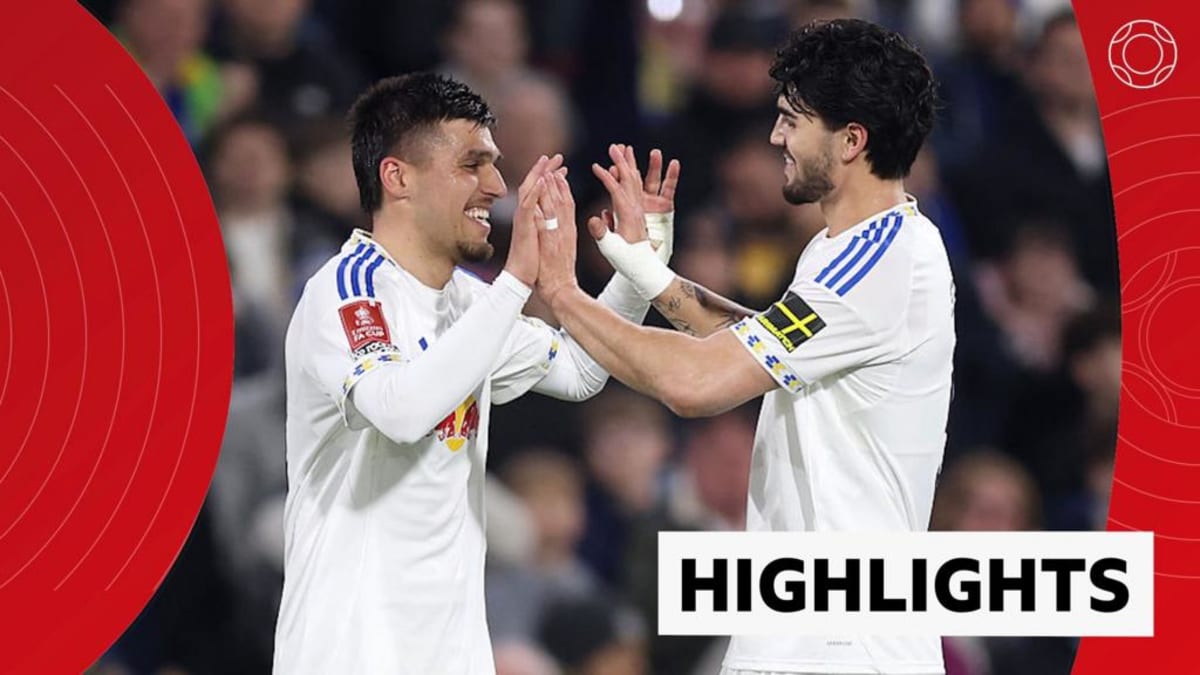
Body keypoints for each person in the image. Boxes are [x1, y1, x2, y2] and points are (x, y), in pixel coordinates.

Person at [531, 19, 952, 675]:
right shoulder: (847, 251)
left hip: (843, 648)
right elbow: (756, 346)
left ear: (851, 140)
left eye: (792, 121)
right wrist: (651, 276)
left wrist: (562, 291)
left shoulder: (880, 257)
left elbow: (696, 384)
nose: (776, 137)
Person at [273, 73, 673, 674]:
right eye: (472, 164)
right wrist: (515, 282)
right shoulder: (347, 291)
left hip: (453, 652)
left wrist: (639, 271)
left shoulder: (468, 299)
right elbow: (401, 411)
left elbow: (580, 370)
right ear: (397, 177)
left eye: (494, 164)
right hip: (352, 651)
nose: (496, 186)